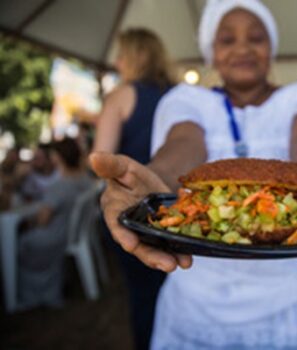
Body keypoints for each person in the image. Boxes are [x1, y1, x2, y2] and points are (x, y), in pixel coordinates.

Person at [90, 1, 297, 349]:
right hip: (197, 309)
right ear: (211, 52)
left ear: (272, 48)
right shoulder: (188, 100)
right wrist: (156, 178)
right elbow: (182, 145)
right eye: (227, 40)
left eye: (256, 37)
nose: (242, 47)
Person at [92, 27, 173, 350]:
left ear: (134, 57)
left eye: (121, 55)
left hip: (133, 208)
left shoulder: (122, 95)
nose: (116, 62)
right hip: (176, 208)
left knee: (144, 296)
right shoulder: (179, 94)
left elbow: (101, 157)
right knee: (176, 290)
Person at [18, 138, 93, 310]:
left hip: (56, 237)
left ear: (58, 158)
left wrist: (30, 222)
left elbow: (43, 220)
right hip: (72, 233)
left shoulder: (59, 186)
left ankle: (29, 296)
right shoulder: (85, 179)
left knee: (22, 242)